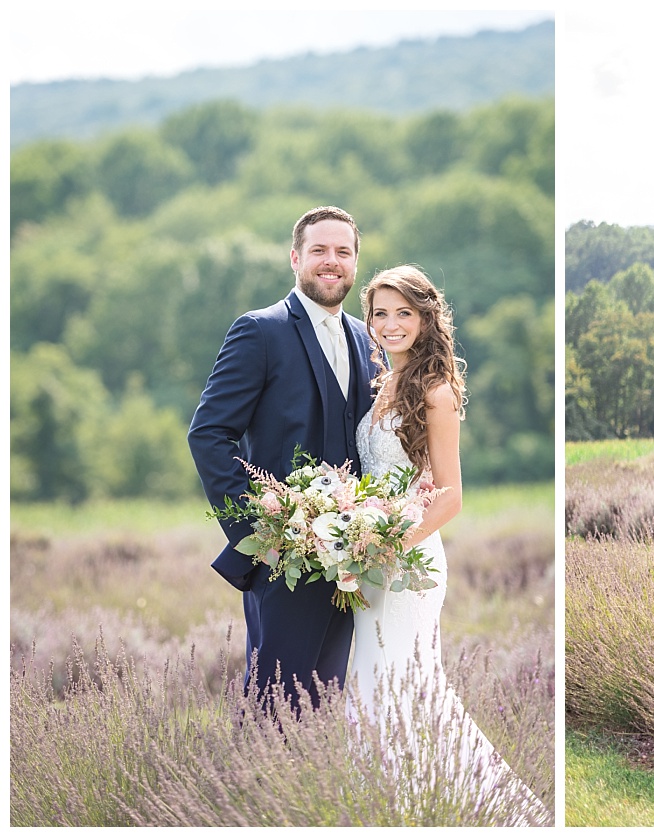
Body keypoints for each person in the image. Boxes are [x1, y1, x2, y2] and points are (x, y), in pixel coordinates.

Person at [350, 264, 548, 823]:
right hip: (369, 561)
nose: (390, 324)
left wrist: (387, 547)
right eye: (380, 313)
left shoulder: (434, 391)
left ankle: (457, 808)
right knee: (370, 685)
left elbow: (451, 495)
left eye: (402, 313)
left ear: (425, 318)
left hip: (407, 562)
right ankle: (388, 807)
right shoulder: (384, 384)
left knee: (405, 686)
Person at [191, 205, 376, 712]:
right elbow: (207, 435)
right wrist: (260, 536)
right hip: (282, 561)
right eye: (319, 250)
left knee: (321, 713)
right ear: (296, 258)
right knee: (271, 713)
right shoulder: (260, 331)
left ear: (355, 263)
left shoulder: (367, 338)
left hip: (349, 568)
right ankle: (247, 794)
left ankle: (303, 795)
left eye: (343, 251)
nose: (331, 261)